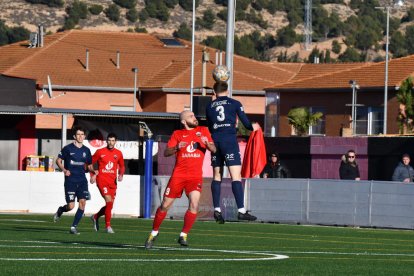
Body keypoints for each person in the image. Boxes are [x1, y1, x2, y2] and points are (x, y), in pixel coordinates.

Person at [144, 110, 216, 249]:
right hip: (178, 175)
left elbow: (214, 149)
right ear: (183, 121)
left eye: (194, 115)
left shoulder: (203, 130)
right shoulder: (177, 134)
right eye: (191, 116)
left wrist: (208, 144)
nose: (194, 118)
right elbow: (166, 152)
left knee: (194, 205)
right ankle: (154, 232)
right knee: (165, 205)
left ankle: (183, 235)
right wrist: (177, 147)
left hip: (195, 176)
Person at [205, 81, 260, 224]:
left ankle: (217, 209)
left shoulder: (209, 106)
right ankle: (241, 211)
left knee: (217, 176)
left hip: (216, 141)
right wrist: (254, 127)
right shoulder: (235, 103)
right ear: (227, 91)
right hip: (229, 141)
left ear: (214, 92)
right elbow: (246, 124)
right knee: (236, 176)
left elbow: (210, 127)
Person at [53, 126, 93, 235]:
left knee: (82, 203)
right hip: (70, 181)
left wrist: (94, 173)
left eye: (82, 134)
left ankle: (73, 227)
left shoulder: (87, 150)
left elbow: (89, 166)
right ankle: (61, 210)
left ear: (84, 136)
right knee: (71, 206)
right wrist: (64, 170)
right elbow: (58, 161)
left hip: (82, 181)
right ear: (74, 136)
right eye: (78, 134)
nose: (80, 136)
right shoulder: (68, 149)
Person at [88, 133, 125, 234]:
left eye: (113, 140)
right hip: (102, 180)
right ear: (106, 141)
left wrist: (121, 174)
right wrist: (92, 174)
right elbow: (89, 163)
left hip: (113, 183)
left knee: (110, 205)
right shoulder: (100, 152)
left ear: (115, 141)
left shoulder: (119, 153)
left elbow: (122, 166)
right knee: (108, 201)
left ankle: (95, 217)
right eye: (109, 140)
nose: (111, 142)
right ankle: (108, 226)